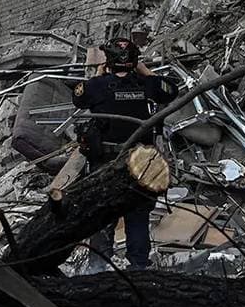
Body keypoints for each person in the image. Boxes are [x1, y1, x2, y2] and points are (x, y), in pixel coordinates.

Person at [71, 36, 175, 270]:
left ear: (108, 60)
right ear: (135, 59)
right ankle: (138, 268)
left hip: (106, 163)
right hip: (142, 164)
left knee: (101, 217)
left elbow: (79, 99)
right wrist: (143, 70)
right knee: (137, 218)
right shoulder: (148, 85)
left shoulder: (96, 86)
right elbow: (171, 91)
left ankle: (98, 268)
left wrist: (98, 73)